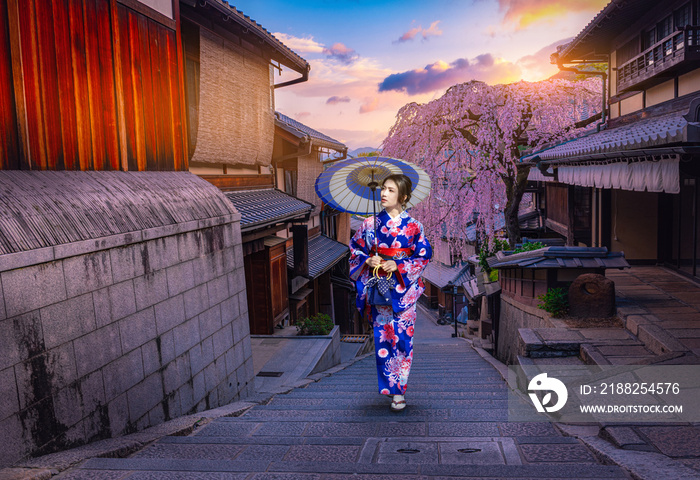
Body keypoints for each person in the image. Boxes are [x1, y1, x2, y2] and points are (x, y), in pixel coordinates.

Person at [348, 174, 432, 411]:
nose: (384, 194)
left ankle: (399, 388)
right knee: (384, 340)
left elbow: (423, 255)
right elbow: (354, 251)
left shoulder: (415, 226)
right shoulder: (368, 225)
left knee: (403, 342)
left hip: (404, 292)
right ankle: (392, 388)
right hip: (380, 290)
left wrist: (400, 265)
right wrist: (368, 259)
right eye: (383, 189)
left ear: (403, 197)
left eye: (391, 190)